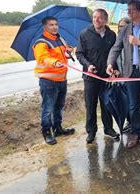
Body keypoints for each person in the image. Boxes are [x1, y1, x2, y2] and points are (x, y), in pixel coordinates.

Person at [106, 0, 140, 149]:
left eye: (132, 10)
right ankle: (136, 133)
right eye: (128, 9)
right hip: (130, 73)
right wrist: (110, 63)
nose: (129, 12)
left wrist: (139, 43)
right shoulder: (124, 30)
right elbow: (116, 48)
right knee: (133, 105)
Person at [76, 8, 119, 143]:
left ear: (105, 20)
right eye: (94, 17)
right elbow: (79, 53)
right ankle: (91, 131)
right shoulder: (84, 34)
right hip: (90, 77)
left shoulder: (112, 35)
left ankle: (108, 129)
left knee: (107, 104)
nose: (96, 20)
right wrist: (88, 65)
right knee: (91, 104)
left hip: (106, 77)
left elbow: (114, 54)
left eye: (100, 17)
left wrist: (115, 69)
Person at [33, 16, 76, 145]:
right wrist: (54, 62)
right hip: (48, 81)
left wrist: (70, 51)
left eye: (56, 24)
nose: (54, 27)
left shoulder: (60, 39)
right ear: (45, 27)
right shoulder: (41, 42)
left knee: (59, 106)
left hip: (62, 79)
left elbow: (65, 55)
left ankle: (58, 128)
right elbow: (43, 58)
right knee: (48, 108)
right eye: (51, 25)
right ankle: (47, 132)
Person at [114, 17, 132, 133]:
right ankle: (128, 121)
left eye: (125, 26)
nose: (122, 28)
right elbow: (112, 56)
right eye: (120, 26)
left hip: (131, 77)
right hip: (119, 76)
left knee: (132, 102)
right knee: (123, 101)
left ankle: (134, 123)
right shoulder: (116, 40)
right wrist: (115, 69)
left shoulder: (132, 39)